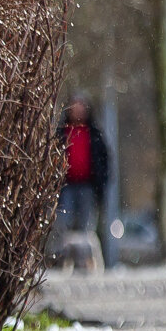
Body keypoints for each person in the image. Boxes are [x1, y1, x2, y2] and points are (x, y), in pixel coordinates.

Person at [55, 94, 110, 270]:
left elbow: (104, 160)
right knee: (63, 222)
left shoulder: (94, 133)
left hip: (88, 185)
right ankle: (62, 260)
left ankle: (88, 263)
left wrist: (101, 182)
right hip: (66, 185)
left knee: (87, 227)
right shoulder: (61, 133)